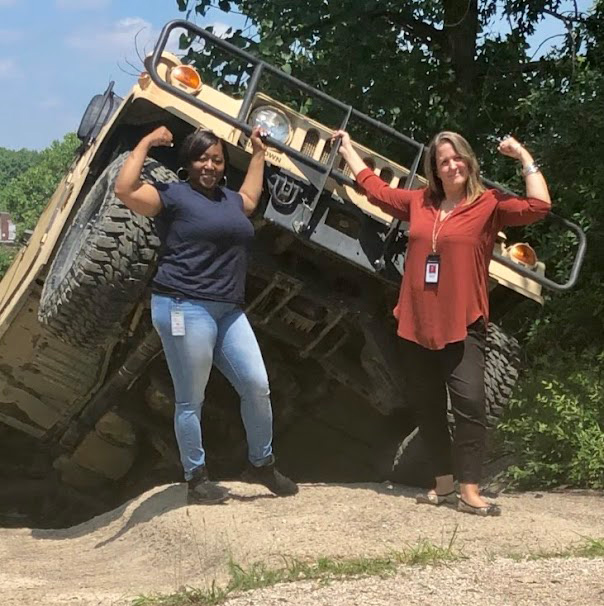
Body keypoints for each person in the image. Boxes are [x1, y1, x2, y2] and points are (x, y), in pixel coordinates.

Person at [332, 129, 551, 516]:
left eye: (457, 158)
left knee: (470, 405)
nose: (452, 166)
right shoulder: (421, 202)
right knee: (428, 407)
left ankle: (470, 489)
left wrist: (522, 156)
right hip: (416, 324)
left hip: (463, 322)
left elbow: (538, 205)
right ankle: (444, 485)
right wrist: (348, 150)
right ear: (435, 170)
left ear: (468, 161)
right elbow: (376, 191)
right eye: (443, 161)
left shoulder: (488, 204)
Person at [115, 125, 298, 503]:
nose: (210, 166)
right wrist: (147, 143)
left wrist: (259, 152)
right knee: (190, 399)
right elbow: (125, 189)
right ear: (188, 162)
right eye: (202, 158)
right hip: (183, 306)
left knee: (256, 385)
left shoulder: (229, 201)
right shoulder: (173, 196)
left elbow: (250, 196)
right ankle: (196, 478)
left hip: (228, 310)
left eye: (216, 159)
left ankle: (261, 463)